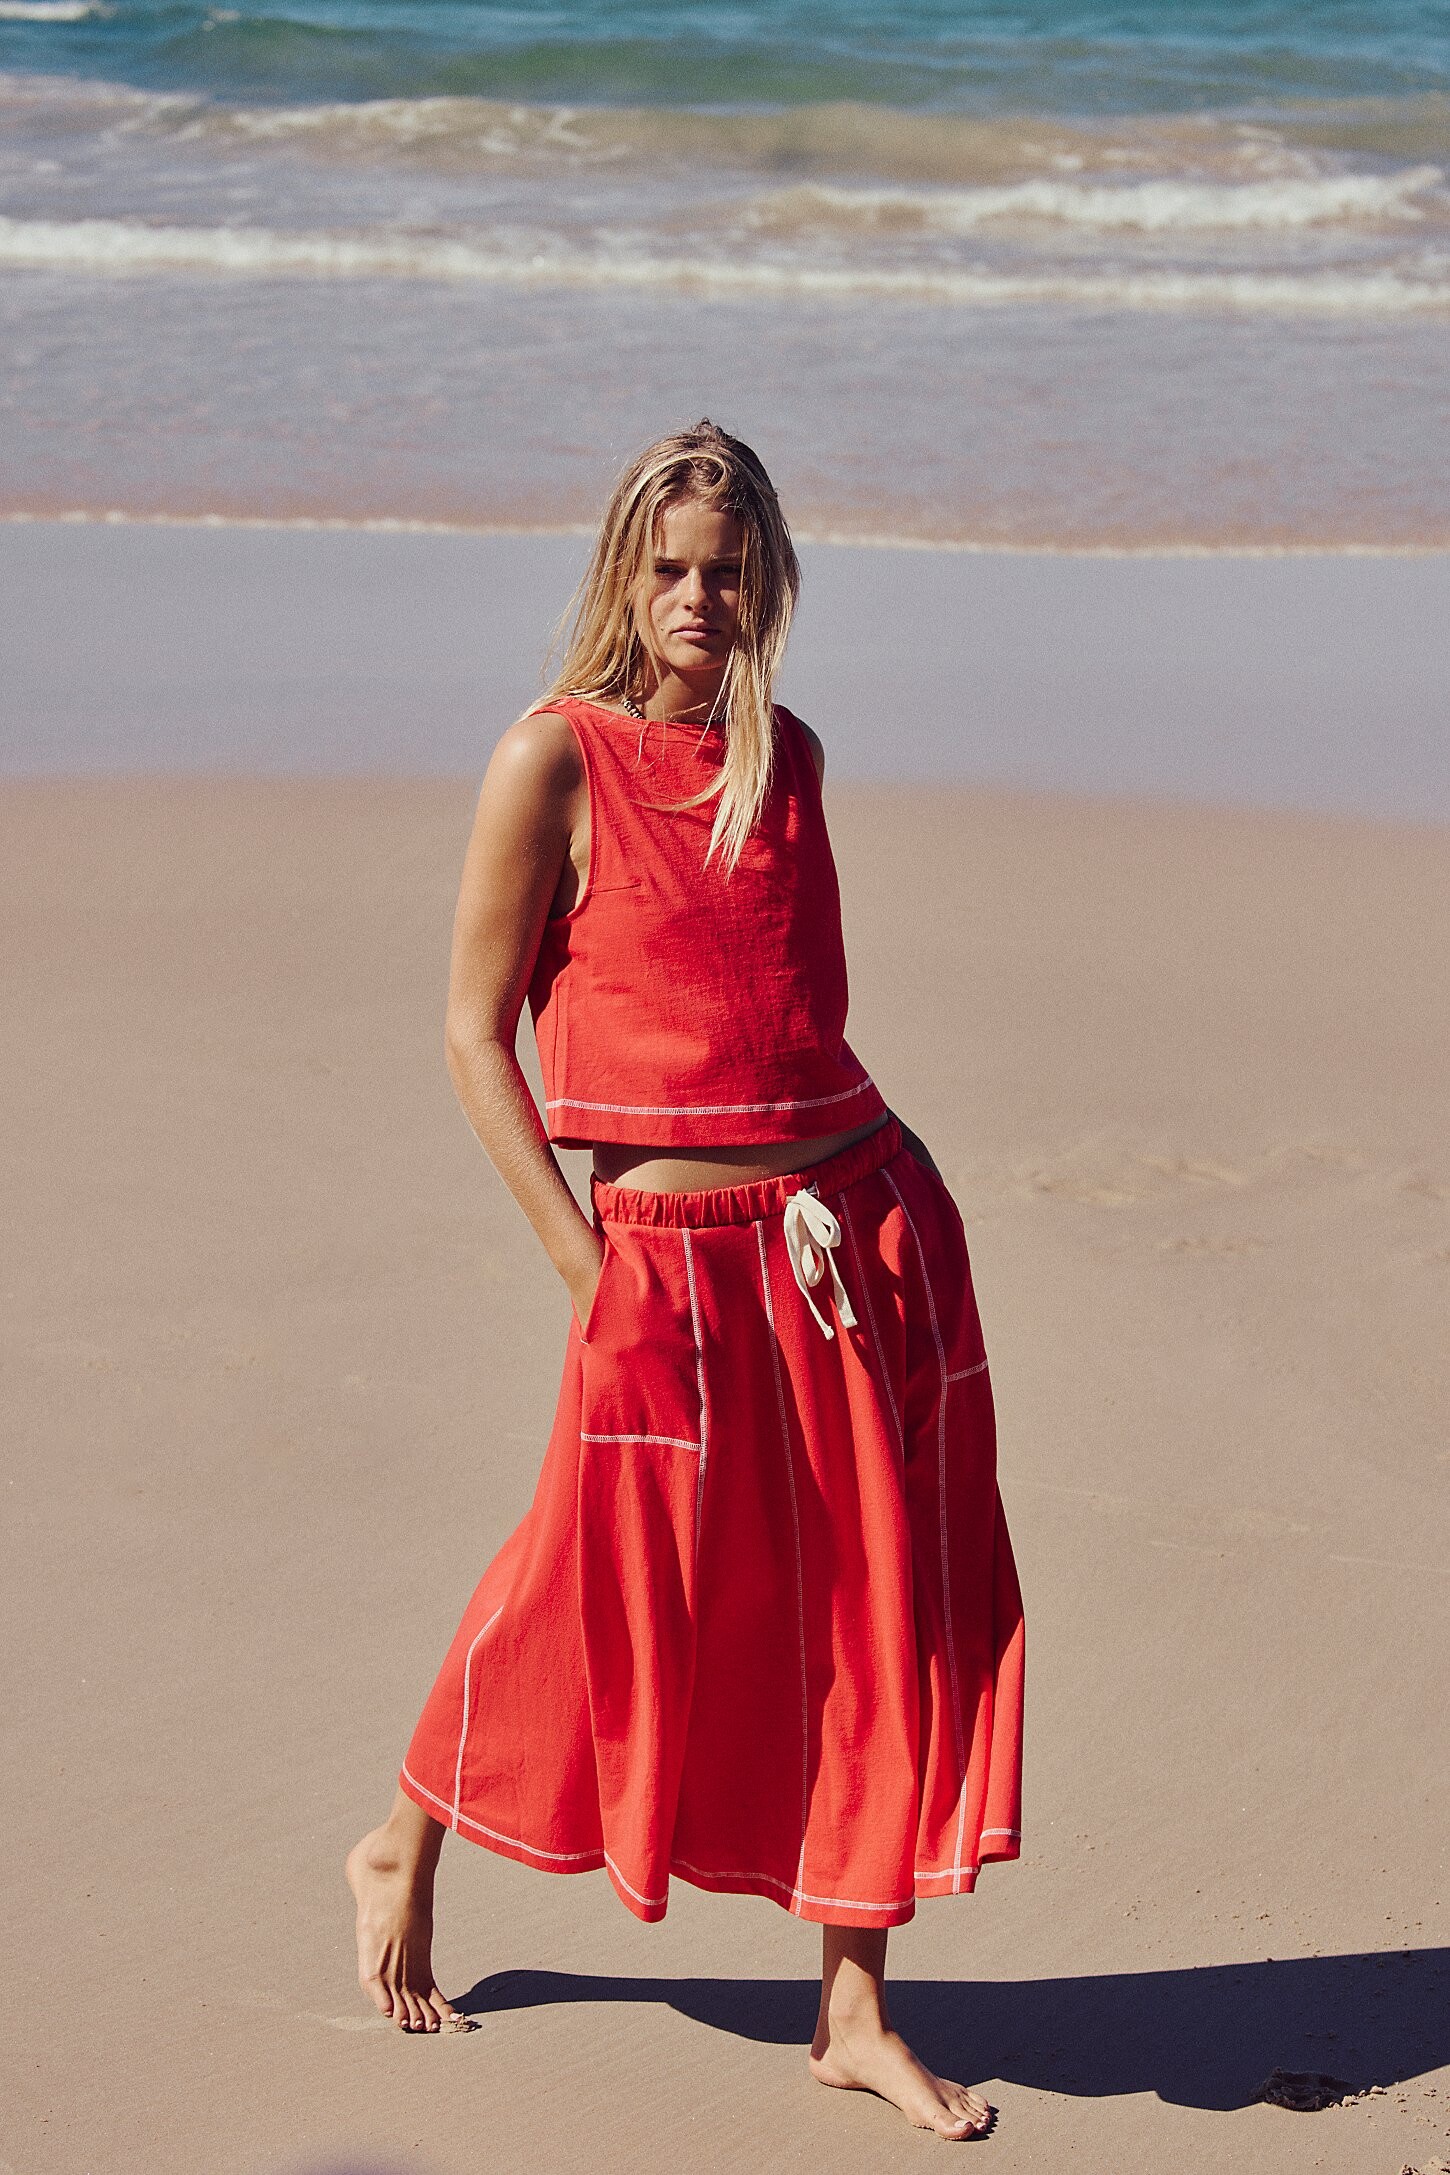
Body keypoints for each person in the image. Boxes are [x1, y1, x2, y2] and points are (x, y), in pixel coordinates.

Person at [347, 420, 1024, 2142]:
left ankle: (853, 2010)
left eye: (725, 571)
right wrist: (587, 1272)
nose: (695, 599)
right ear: (620, 573)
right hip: (662, 1266)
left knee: (874, 1615)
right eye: (666, 568)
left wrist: (891, 1200)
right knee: (586, 1573)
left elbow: (799, 1024)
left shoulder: (787, 760)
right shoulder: (550, 759)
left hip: (851, 1228)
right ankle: (406, 1835)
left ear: (768, 580)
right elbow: (471, 1035)